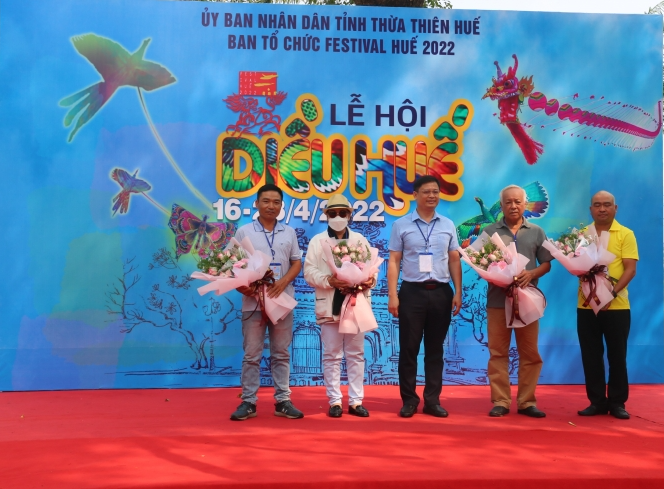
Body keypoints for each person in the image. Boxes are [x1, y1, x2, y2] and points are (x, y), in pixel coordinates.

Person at [387, 175, 462, 418]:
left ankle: (432, 401)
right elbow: (394, 261)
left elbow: (454, 259)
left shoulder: (448, 225)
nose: (432, 196)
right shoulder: (401, 225)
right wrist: (392, 295)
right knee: (409, 349)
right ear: (415, 195)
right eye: (427, 191)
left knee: (435, 349)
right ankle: (409, 400)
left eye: (435, 192)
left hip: (441, 292)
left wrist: (458, 291)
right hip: (412, 293)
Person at [229, 184, 304, 421]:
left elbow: (296, 262)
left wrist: (283, 282)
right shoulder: (243, 232)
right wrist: (243, 287)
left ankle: (283, 400)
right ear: (257, 204)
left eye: (276, 202)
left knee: (281, 353)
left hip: (282, 301)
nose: (271, 206)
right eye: (266, 201)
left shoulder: (289, 232)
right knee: (252, 354)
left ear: (281, 206)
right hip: (253, 304)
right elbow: (231, 266)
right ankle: (248, 402)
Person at [483, 184, 552, 418]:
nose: (513, 206)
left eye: (517, 201)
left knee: (530, 353)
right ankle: (501, 401)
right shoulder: (489, 232)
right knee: (498, 353)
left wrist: (531, 274)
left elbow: (546, 263)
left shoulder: (536, 231)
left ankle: (527, 402)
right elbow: (480, 263)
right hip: (497, 302)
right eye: (508, 202)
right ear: (501, 206)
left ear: (525, 204)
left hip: (527, 302)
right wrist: (496, 277)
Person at [304, 194, 376, 418]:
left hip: (355, 303)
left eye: (342, 213)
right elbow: (309, 272)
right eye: (333, 213)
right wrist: (329, 280)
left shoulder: (360, 240)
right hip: (329, 304)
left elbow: (372, 268)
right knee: (332, 355)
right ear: (326, 215)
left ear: (349, 215)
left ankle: (356, 401)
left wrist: (368, 280)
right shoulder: (317, 241)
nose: (338, 217)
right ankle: (334, 401)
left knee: (356, 354)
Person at [577, 191, 638, 420]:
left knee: (617, 356)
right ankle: (597, 402)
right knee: (591, 356)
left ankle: (617, 402)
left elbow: (630, 269)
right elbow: (578, 266)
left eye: (606, 205)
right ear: (590, 209)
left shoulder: (626, 234)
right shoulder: (582, 234)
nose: (602, 209)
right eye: (597, 205)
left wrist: (610, 294)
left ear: (615, 208)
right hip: (586, 306)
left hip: (617, 306)